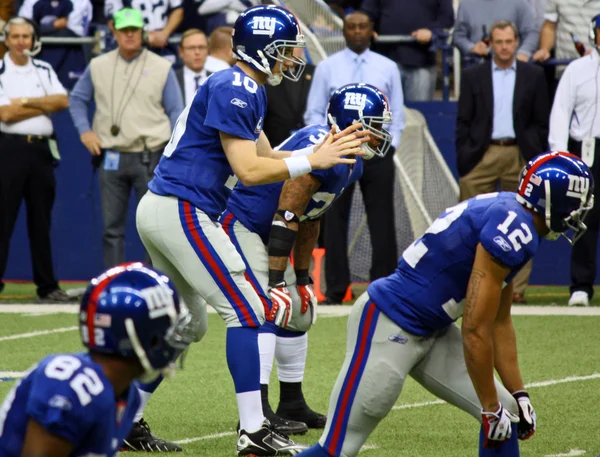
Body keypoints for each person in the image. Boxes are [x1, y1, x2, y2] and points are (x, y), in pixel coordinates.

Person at [135, 5, 368, 456]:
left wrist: (316, 152)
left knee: (185, 324)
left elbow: (270, 156)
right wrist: (313, 161)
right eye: (284, 49)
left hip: (167, 208)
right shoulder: (236, 85)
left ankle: (121, 418)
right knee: (249, 309)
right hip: (183, 208)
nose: (291, 58)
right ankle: (254, 431)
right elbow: (247, 171)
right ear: (262, 50)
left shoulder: (246, 88)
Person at [296, 151, 595, 457]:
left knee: (506, 411)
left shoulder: (519, 221)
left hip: (433, 329)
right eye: (577, 202)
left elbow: (499, 322)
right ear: (553, 199)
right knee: (338, 449)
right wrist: (489, 408)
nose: (580, 211)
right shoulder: (512, 229)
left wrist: (518, 393)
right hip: (390, 322)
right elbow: (475, 329)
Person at [223, 83, 393, 435]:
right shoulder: (323, 150)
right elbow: (286, 213)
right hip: (246, 224)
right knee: (268, 307)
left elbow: (309, 218)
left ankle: (292, 401)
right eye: (375, 125)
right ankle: (258, 410)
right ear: (353, 125)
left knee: (299, 312)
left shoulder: (351, 162)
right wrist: (275, 282)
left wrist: (302, 279)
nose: (381, 134)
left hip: (276, 230)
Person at [0, 262, 194, 457]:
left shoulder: (126, 395)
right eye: (164, 330)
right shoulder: (70, 385)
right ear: (132, 334)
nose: (171, 340)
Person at [69, 7, 184, 270]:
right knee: (111, 227)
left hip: (150, 154)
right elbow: (77, 99)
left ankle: (154, 282)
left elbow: (176, 111)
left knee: (154, 228)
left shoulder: (161, 66)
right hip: (111, 155)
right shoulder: (98, 65)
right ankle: (112, 281)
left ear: (143, 32)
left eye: (134, 30)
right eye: (124, 30)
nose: (130, 35)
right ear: (115, 32)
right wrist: (84, 131)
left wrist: (170, 151)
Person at [304, 10, 405, 304]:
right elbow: (314, 111)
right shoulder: (327, 67)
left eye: (363, 26)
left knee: (382, 219)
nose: (357, 31)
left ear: (371, 29)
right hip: (339, 151)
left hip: (378, 151)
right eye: (351, 27)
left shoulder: (387, 67)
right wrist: (324, 145)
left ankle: (384, 288)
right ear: (344, 31)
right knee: (333, 220)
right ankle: (337, 289)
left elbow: (397, 113)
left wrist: (391, 145)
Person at [456, 20, 549, 303]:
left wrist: (534, 153)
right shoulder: (473, 75)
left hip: (520, 153)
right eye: (499, 42)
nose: (505, 47)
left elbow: (540, 120)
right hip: (482, 154)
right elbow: (463, 121)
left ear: (517, 41)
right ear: (490, 44)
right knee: (468, 217)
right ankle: (468, 284)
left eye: (509, 41)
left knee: (526, 220)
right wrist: (466, 153)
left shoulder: (533, 75)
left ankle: (516, 290)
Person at [0, 17, 71, 303]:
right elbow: (4, 114)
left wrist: (25, 103)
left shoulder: (43, 68)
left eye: (25, 37)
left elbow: (62, 102)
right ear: (6, 39)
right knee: (2, 219)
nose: (20, 42)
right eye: (15, 36)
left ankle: (47, 286)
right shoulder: (1, 70)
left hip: (41, 151)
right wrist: (42, 104)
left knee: (41, 222)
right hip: (9, 151)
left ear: (34, 39)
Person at [548, 14, 600, 306]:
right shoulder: (576, 70)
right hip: (587, 149)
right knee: (584, 219)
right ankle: (581, 286)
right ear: (594, 35)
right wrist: (561, 155)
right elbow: (561, 112)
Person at [361, 0, 455, 102]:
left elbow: (447, 17)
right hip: (384, 63)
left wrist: (431, 31)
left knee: (418, 114)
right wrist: (367, 28)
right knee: (381, 113)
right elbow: (366, 13)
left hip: (421, 63)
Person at [175, 28, 211, 106]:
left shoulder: (216, 80)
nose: (197, 52)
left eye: (201, 47)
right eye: (191, 48)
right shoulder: (173, 79)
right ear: (181, 52)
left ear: (208, 50)